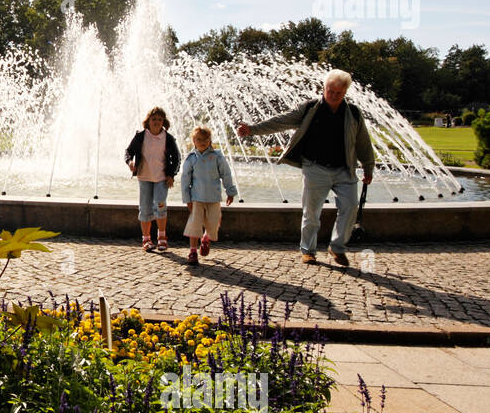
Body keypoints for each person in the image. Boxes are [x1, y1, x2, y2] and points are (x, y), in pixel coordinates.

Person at [235, 69, 374, 266]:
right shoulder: (310, 108)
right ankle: (308, 250)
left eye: (338, 93)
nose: (333, 96)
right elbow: (282, 121)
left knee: (351, 206)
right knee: (311, 212)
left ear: (345, 92)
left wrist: (368, 167)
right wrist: (253, 129)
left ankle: (337, 247)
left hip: (344, 169)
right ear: (323, 88)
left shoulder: (353, 113)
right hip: (315, 167)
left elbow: (363, 143)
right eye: (330, 91)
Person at [124, 106, 180, 252]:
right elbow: (128, 152)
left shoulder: (168, 138)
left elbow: (177, 158)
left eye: (159, 119)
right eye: (153, 119)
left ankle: (162, 237)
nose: (156, 122)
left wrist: (171, 175)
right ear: (148, 121)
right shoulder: (141, 136)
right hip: (144, 177)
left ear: (164, 122)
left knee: (160, 206)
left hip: (161, 178)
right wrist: (130, 162)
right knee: (145, 209)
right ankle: (146, 239)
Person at [180, 126, 236, 266]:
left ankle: (206, 238)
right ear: (194, 141)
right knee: (194, 225)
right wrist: (187, 199)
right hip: (197, 198)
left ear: (210, 140)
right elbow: (185, 180)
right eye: (199, 139)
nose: (202, 142)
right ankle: (193, 251)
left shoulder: (217, 156)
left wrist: (230, 191)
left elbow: (226, 174)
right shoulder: (191, 158)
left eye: (205, 139)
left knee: (213, 224)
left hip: (213, 197)